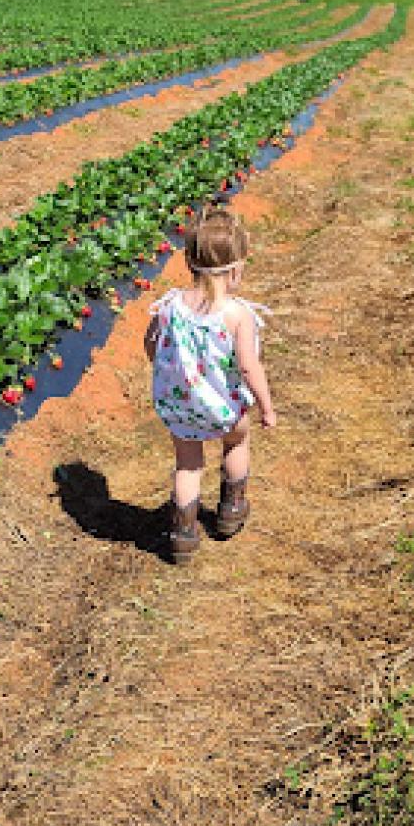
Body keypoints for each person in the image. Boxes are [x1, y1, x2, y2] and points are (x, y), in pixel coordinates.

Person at [144, 204, 276, 563]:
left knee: (188, 465)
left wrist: (166, 372)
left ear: (190, 264)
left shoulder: (171, 305)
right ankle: (231, 510)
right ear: (235, 270)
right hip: (224, 407)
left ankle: (183, 534)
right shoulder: (237, 315)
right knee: (236, 442)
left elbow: (152, 343)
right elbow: (249, 367)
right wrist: (266, 406)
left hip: (182, 404)